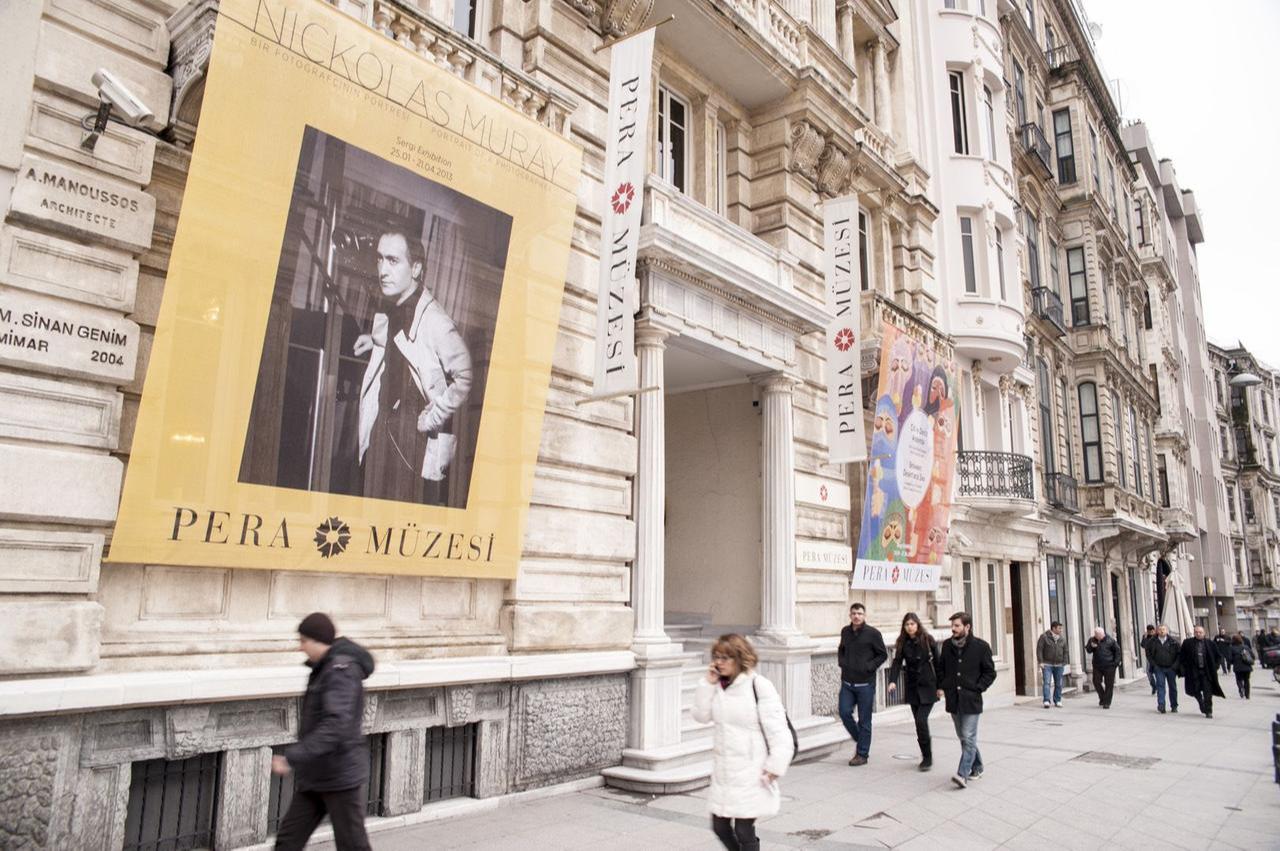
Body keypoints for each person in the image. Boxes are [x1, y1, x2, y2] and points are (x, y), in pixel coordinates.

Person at [356, 229, 473, 505]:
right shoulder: (393, 306)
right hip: (382, 432)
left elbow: (465, 377)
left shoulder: (435, 321)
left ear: (416, 268)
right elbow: (403, 345)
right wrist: (373, 341)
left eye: (393, 261)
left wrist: (433, 417)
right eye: (380, 259)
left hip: (412, 441)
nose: (383, 270)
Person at [273, 613, 376, 851]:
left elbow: (336, 726)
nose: (300, 648)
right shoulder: (325, 668)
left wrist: (292, 756)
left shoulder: (340, 671)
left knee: (353, 846)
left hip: (340, 776)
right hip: (316, 776)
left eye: (303, 641)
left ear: (317, 640)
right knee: (288, 842)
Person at [692, 634, 793, 851]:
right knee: (719, 826)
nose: (719, 662)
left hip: (752, 770)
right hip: (724, 772)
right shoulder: (718, 686)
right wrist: (707, 684)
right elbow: (701, 716)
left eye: (725, 657)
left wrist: (775, 766)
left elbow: (778, 730)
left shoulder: (759, 685)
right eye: (717, 657)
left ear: (740, 659)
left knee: (744, 830)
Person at [937, 611, 996, 789]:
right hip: (954, 699)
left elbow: (990, 672)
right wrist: (942, 686)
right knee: (963, 737)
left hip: (971, 699)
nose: (953, 629)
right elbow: (942, 669)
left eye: (957, 626)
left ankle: (963, 774)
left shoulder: (981, 647)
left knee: (968, 736)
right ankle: (977, 766)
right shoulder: (947, 646)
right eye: (952, 626)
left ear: (967, 627)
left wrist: (978, 687)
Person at [886, 612, 941, 770]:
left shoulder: (928, 640)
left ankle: (927, 758)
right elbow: (897, 662)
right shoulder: (902, 642)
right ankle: (925, 755)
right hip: (913, 688)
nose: (910, 627)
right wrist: (892, 681)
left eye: (912, 624)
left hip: (928, 686)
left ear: (917, 624)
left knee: (921, 720)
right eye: (907, 624)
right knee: (918, 723)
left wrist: (941, 687)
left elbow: (938, 663)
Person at [837, 602, 888, 766]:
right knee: (844, 712)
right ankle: (861, 738)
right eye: (853, 613)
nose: (856, 616)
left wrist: (869, 667)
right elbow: (841, 649)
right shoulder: (845, 631)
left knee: (864, 720)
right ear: (850, 615)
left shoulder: (873, 633)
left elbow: (882, 654)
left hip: (865, 685)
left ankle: (862, 754)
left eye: (859, 613)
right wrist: (842, 662)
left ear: (864, 615)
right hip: (847, 683)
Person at [1179, 624, 1225, 718]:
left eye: (1200, 632)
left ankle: (1208, 710)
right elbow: (1182, 656)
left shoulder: (1210, 643)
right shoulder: (1188, 643)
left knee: (1207, 691)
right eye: (1196, 632)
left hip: (1206, 672)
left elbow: (1218, 656)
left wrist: (1215, 667)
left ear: (1204, 633)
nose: (1198, 634)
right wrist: (1183, 669)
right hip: (1193, 671)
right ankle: (1200, 701)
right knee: (1195, 690)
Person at [1085, 627, 1120, 709]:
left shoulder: (1110, 641)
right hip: (1097, 665)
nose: (1096, 636)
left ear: (1102, 634)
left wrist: (1115, 663)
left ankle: (1107, 702)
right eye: (1095, 634)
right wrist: (1092, 647)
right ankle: (1102, 697)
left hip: (1109, 665)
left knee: (1109, 684)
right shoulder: (1092, 640)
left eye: (1097, 635)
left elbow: (1117, 651)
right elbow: (1088, 650)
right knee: (1096, 681)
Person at [1148, 624, 1180, 714]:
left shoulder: (1173, 642)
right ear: (1157, 631)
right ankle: (1161, 705)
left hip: (1171, 668)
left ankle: (1174, 705)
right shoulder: (1153, 641)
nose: (1162, 631)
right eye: (1160, 629)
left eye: (1164, 629)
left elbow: (1179, 654)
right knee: (1160, 686)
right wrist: (1154, 664)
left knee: (1172, 687)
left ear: (1167, 631)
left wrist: (1175, 666)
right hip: (1159, 668)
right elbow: (1148, 652)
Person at [1036, 621, 1069, 708]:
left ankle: (1057, 700)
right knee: (1047, 682)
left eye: (1061, 628)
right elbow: (1039, 649)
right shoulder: (1044, 637)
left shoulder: (1062, 639)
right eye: (1059, 628)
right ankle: (1046, 700)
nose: (1061, 630)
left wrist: (1064, 662)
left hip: (1059, 664)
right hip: (1047, 664)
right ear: (1053, 628)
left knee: (1059, 683)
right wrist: (1041, 662)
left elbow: (1065, 651)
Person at [1229, 634, 1255, 699]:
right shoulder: (1246, 647)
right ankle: (1247, 695)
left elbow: (1230, 659)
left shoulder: (1232, 648)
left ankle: (1241, 689)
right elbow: (1253, 656)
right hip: (1247, 666)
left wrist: (1233, 662)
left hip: (1237, 667)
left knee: (1239, 679)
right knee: (1247, 680)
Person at [1140, 625, 1158, 694]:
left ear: (1154, 630)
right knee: (1148, 672)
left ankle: (1158, 687)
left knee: (1157, 672)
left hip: (1157, 658)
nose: (1150, 632)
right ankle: (1154, 686)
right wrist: (1144, 638)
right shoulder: (1146, 637)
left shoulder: (1157, 636)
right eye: (1149, 631)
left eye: (1151, 631)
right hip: (1149, 658)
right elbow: (1143, 645)